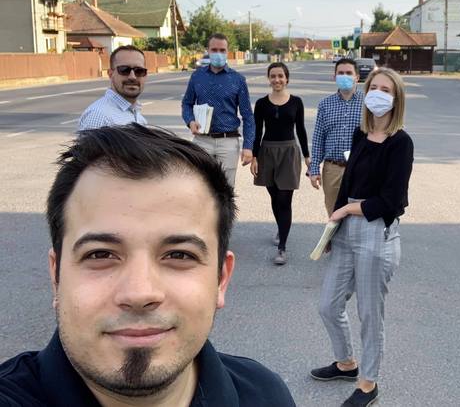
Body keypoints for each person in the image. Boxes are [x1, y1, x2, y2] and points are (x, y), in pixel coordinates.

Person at [0, 124, 296, 407]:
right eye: (100, 254)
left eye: (179, 255)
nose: (139, 293)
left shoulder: (266, 395)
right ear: (56, 276)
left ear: (221, 279)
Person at [310, 67, 414, 407]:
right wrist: (334, 223)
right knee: (329, 305)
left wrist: (347, 210)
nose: (378, 94)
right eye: (374, 88)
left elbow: (392, 201)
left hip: (376, 231)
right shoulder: (360, 134)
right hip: (347, 229)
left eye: (386, 90)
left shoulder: (401, 143)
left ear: (396, 99)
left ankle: (368, 383)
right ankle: (346, 363)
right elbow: (348, 184)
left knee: (370, 315)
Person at [250, 62, 310, 265]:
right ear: (269, 79)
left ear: (287, 79)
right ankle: (281, 227)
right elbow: (257, 131)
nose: (277, 79)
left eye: (280, 76)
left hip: (289, 152)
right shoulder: (261, 103)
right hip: (267, 152)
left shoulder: (296, 102)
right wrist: (255, 157)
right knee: (275, 197)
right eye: (273, 76)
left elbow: (301, 130)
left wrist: (307, 156)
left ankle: (282, 247)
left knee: (285, 199)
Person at [181, 33, 255, 186]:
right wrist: (190, 121)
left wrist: (248, 146)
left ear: (228, 51)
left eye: (222, 50)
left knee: (225, 189)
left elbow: (248, 115)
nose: (218, 54)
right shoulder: (197, 76)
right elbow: (186, 104)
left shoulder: (238, 80)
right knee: (201, 187)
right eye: (214, 50)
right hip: (202, 140)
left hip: (228, 142)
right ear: (208, 50)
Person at [309, 58, 363, 216]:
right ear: (334, 77)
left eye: (349, 73)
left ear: (357, 77)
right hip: (333, 169)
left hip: (360, 168)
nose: (344, 76)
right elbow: (318, 138)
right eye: (340, 73)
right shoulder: (325, 104)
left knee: (358, 214)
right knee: (334, 214)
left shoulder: (368, 103)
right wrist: (314, 169)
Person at [78, 45, 148, 130]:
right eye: (124, 70)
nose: (132, 77)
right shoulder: (99, 117)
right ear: (110, 74)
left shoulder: (138, 117)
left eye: (139, 71)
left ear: (145, 75)